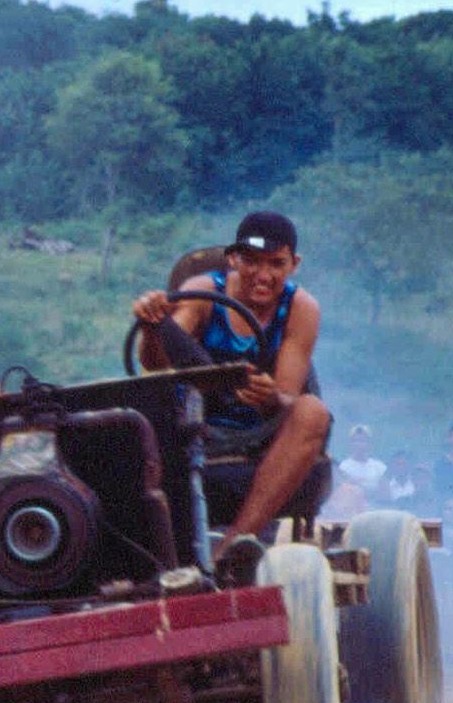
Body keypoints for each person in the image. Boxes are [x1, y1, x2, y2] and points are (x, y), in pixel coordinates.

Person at [131, 211, 329, 557]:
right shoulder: (202, 292)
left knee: (312, 413)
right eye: (251, 262)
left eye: (275, 264)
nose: (262, 276)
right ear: (233, 258)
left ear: (293, 264)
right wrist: (152, 326)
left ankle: (233, 547)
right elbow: (155, 363)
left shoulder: (301, 308)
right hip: (192, 426)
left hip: (260, 431)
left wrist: (271, 397)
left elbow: (287, 394)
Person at [337, 425, 388, 500]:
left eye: (362, 441)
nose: (359, 444)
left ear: (369, 443)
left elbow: (385, 494)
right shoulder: (343, 468)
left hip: (376, 509)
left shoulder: (380, 468)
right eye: (355, 441)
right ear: (350, 444)